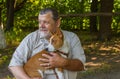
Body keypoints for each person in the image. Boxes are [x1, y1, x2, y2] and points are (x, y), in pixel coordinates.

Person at [8, 8, 86, 79]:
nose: (41, 26)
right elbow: (14, 65)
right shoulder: (31, 39)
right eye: (39, 22)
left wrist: (64, 62)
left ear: (57, 23)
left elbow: (81, 66)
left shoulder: (72, 38)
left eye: (46, 22)